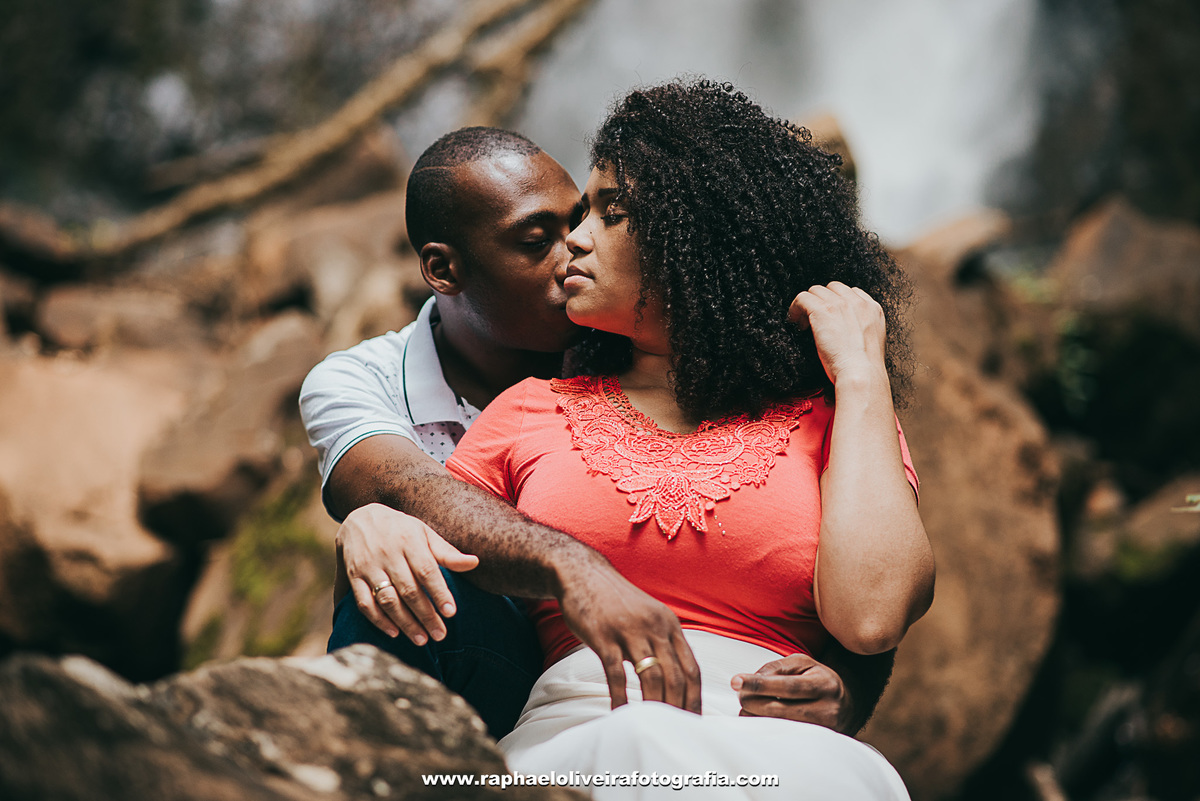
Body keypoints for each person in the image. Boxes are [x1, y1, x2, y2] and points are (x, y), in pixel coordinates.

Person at [300, 126, 891, 740]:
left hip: (717, 697)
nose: (575, 252)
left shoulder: (639, 335)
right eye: (536, 242)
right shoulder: (358, 381)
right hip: (514, 664)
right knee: (397, 560)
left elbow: (861, 562)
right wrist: (572, 567)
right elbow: (406, 490)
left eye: (584, 218)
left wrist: (845, 687)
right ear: (444, 269)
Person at [442, 80, 934, 798]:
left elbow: (870, 616)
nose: (574, 239)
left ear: (699, 238)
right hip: (577, 743)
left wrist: (860, 372)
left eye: (611, 212)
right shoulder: (529, 409)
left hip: (777, 752)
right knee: (637, 741)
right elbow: (430, 533)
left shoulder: (837, 416)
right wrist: (370, 520)